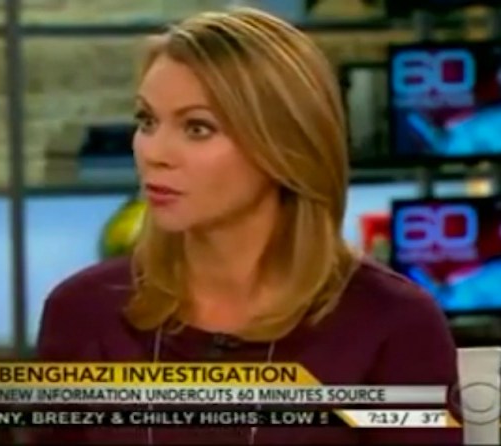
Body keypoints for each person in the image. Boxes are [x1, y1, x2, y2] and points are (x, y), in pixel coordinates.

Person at [31, 7, 462, 445]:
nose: (154, 153)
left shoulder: (392, 324)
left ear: (286, 146)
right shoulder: (83, 313)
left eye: (197, 128)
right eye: (147, 121)